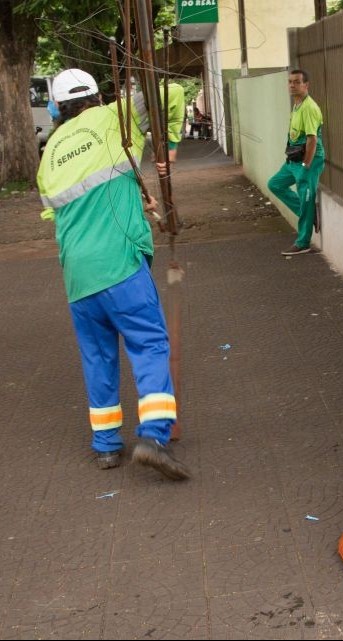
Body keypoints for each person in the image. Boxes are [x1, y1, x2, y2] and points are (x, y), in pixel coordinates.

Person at [36, 68, 190, 480]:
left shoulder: (49, 153)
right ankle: (153, 438)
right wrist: (167, 143)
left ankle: (105, 446)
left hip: (77, 277)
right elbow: (170, 88)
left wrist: (130, 189)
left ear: (57, 107)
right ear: (96, 96)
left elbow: (69, 210)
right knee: (150, 344)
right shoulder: (114, 119)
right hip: (119, 265)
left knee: (98, 356)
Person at [267, 69, 325, 256]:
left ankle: (303, 242)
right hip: (294, 159)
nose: (292, 85)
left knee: (306, 196)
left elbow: (312, 139)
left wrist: (306, 165)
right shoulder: (297, 104)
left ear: (306, 85)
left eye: (297, 82)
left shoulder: (309, 107)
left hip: (308, 160)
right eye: (290, 82)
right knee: (275, 184)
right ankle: (307, 214)